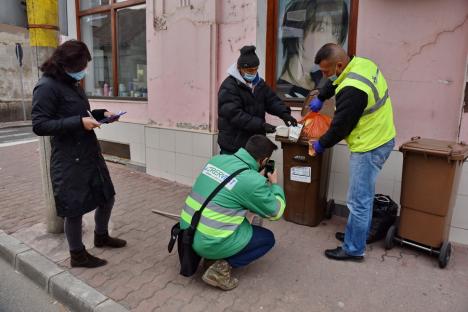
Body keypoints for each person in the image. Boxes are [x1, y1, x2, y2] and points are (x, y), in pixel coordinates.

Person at [31, 40, 126, 268]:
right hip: (68, 158)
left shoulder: (72, 83)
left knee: (107, 195)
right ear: (66, 65)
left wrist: (101, 114)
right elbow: (40, 125)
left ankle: (101, 236)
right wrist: (78, 122)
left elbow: (81, 113)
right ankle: (77, 255)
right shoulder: (46, 86)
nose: (84, 72)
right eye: (81, 67)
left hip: (89, 151)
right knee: (73, 208)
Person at [309, 43, 396, 261]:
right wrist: (322, 95)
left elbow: (340, 128)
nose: (325, 75)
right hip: (381, 136)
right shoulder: (361, 64)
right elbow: (336, 80)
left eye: (326, 71)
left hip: (369, 145)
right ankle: (356, 234)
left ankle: (354, 248)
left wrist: (320, 145)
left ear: (339, 65)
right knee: (362, 196)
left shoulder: (353, 90)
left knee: (358, 200)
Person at [180, 135, 286, 290]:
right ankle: (219, 269)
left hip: (188, 233)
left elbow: (231, 187)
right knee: (267, 239)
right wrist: (275, 185)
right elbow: (276, 213)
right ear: (264, 161)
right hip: (208, 242)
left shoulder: (216, 160)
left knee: (242, 220)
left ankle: (213, 256)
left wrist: (254, 180)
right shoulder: (252, 181)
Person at [217, 45, 297, 154]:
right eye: (250, 70)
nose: (253, 73)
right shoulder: (229, 87)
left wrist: (284, 114)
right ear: (240, 68)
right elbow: (235, 115)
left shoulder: (259, 83)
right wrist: (261, 125)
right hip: (233, 145)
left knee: (254, 171)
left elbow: (272, 100)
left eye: (255, 69)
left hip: (253, 144)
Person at [277, 0, 349, 99]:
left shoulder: (322, 79)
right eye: (322, 29)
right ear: (299, 32)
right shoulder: (284, 94)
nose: (332, 41)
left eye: (335, 34)